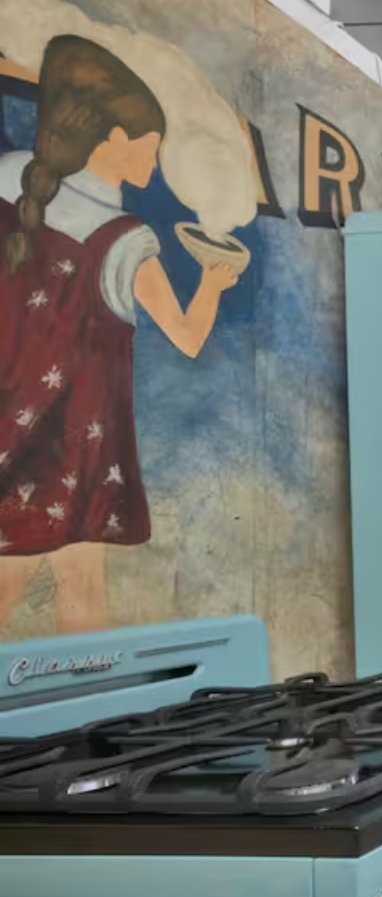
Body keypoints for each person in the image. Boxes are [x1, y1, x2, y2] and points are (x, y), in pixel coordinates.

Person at [0, 34, 241, 631]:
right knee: (78, 589)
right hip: (79, 450)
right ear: (110, 139)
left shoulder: (7, 181)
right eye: (149, 149)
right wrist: (215, 280)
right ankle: (94, 717)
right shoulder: (125, 237)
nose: (153, 165)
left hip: (12, 427)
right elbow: (186, 336)